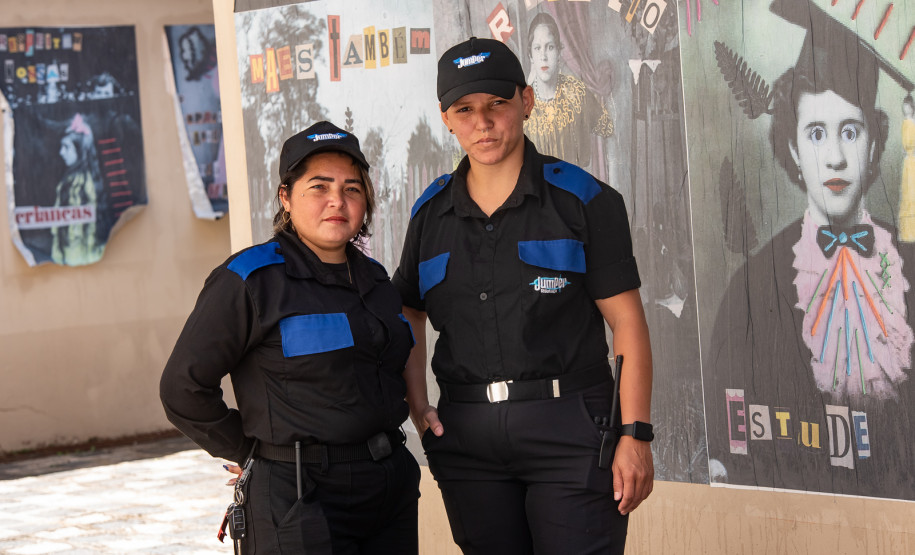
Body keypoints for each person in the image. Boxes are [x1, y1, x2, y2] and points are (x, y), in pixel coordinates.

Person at [393, 37, 653, 554]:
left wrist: (636, 433)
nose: (482, 123)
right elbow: (407, 312)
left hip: (571, 431)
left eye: (497, 104)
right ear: (445, 118)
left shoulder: (584, 200)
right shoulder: (429, 215)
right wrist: (419, 407)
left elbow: (628, 322)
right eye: (464, 110)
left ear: (527, 102)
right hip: (467, 441)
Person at [160, 121, 420, 554]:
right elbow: (182, 388)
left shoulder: (375, 279)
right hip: (297, 498)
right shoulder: (249, 280)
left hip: (387, 488)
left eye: (352, 188)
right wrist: (250, 454)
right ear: (286, 196)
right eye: (319, 187)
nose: (337, 200)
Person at [705, 13, 915, 499]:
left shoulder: (910, 265)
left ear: (876, 141)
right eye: (816, 133)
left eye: (851, 130)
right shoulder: (752, 289)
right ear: (795, 150)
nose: (836, 158)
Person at [523, 12, 613, 170]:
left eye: (550, 47)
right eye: (537, 48)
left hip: (573, 188)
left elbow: (606, 128)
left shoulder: (576, 92)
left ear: (559, 52)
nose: (543, 56)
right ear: (531, 55)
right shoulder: (521, 103)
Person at [51, 112, 105, 266]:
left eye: (66, 147)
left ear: (80, 150)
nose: (61, 152)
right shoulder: (68, 180)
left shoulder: (85, 183)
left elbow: (90, 229)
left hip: (80, 252)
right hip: (66, 250)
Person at [899, 95, 915, 242]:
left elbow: (909, 144)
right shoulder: (907, 123)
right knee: (908, 195)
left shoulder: (910, 123)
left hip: (911, 164)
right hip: (909, 164)